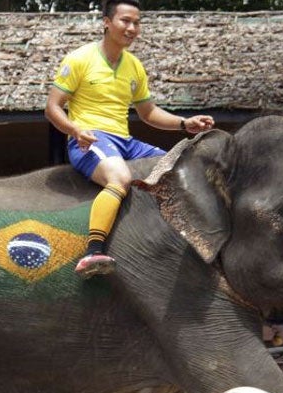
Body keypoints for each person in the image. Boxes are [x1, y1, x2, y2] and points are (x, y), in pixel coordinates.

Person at [45, 0, 215, 278]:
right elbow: (52, 107)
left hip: (124, 140)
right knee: (120, 177)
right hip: (90, 139)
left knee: (176, 168)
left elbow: (148, 113)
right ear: (107, 22)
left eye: (137, 23)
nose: (132, 28)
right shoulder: (79, 59)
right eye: (125, 21)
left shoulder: (134, 67)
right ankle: (93, 251)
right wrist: (75, 130)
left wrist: (185, 123)